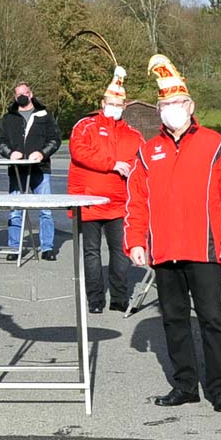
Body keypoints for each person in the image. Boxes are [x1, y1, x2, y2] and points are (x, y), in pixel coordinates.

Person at [125, 54, 221, 413]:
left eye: (177, 103)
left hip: (205, 248)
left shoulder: (214, 145)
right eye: (165, 104)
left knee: (211, 319)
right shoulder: (149, 152)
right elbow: (137, 201)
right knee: (174, 320)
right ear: (159, 110)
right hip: (165, 250)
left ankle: (219, 390)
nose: (171, 109)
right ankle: (185, 385)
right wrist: (135, 241)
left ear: (190, 105)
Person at [68, 55, 144, 313]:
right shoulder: (85, 126)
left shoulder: (133, 134)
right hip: (88, 199)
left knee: (120, 253)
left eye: (119, 104)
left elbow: (141, 163)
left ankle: (120, 298)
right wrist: (111, 163)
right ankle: (95, 300)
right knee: (91, 253)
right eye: (111, 103)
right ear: (102, 103)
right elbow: (79, 151)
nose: (115, 107)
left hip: (120, 202)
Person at [0, 81, 62, 261]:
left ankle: (47, 247)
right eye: (17, 95)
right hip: (17, 170)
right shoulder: (8, 118)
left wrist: (42, 153)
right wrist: (10, 153)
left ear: (30, 94)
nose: (21, 97)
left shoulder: (45, 115)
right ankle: (14, 247)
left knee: (45, 210)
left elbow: (55, 140)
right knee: (15, 210)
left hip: (41, 170)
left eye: (24, 93)